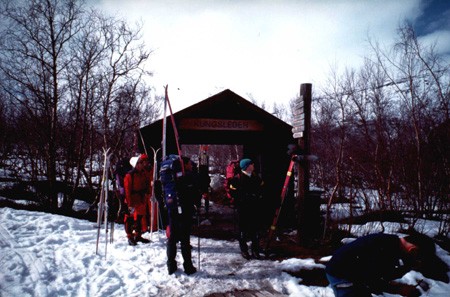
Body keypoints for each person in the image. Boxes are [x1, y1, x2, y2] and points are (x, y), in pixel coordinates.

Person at [325, 232, 438, 297]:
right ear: (413, 250)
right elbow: (372, 280)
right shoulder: (385, 248)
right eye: (419, 258)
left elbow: (383, 273)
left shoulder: (392, 244)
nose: (418, 261)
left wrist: (408, 267)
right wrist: (398, 290)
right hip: (342, 275)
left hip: (354, 274)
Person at [165, 156, 200, 275]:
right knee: (185, 239)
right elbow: (196, 192)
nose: (191, 165)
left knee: (172, 238)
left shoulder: (170, 177)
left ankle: (171, 266)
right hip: (185, 210)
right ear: (184, 165)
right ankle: (188, 267)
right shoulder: (188, 176)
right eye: (189, 163)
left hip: (172, 209)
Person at [229, 158, 264, 260]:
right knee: (243, 230)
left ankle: (255, 250)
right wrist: (245, 197)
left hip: (254, 207)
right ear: (247, 166)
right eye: (251, 164)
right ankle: (244, 250)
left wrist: (258, 197)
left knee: (255, 229)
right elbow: (233, 193)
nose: (253, 165)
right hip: (243, 208)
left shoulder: (256, 177)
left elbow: (262, 189)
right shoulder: (237, 179)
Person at [123, 154, 152, 246]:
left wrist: (148, 192)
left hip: (140, 199)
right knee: (129, 218)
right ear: (136, 164)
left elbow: (146, 184)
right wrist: (129, 204)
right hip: (132, 199)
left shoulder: (143, 173)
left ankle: (138, 235)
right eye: (140, 163)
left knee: (139, 218)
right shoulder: (129, 176)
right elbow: (127, 190)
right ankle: (130, 236)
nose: (142, 164)